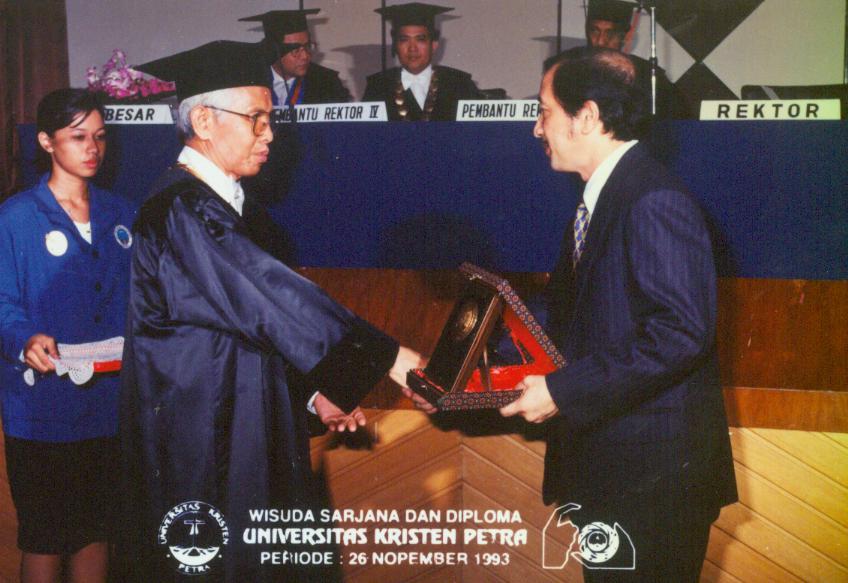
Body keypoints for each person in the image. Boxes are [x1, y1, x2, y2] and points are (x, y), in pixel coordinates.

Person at [119, 40, 423, 581]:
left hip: (232, 427)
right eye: (256, 119)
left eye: (270, 119)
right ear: (204, 120)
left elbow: (245, 328)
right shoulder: (182, 209)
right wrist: (386, 355)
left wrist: (313, 394)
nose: (270, 134)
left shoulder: (226, 209)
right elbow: (265, 297)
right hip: (202, 444)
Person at [498, 47, 737, 581]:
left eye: (544, 112)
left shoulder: (652, 199)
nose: (537, 129)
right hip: (617, 477)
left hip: (653, 489)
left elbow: (680, 333)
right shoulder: (605, 196)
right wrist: (471, 358)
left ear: (586, 116)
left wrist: (562, 391)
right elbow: (575, 314)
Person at [0, 88, 135, 583]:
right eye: (78, 137)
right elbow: (2, 302)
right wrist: (23, 338)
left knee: (96, 532)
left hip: (110, 401)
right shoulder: (16, 217)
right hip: (43, 405)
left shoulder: (124, 214)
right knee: (45, 536)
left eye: (100, 136)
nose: (92, 148)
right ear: (46, 142)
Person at [362, 2, 483, 121]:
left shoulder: (460, 84)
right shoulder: (378, 88)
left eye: (420, 39)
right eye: (404, 40)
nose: (412, 48)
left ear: (434, 45)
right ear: (395, 45)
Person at [584, 0, 690, 118]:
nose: (600, 41)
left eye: (610, 33)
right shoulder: (572, 68)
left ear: (625, 35)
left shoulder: (646, 73)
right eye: (594, 31)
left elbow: (680, 116)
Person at [239, 9, 352, 106]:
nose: (305, 56)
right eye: (296, 50)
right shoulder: (247, 81)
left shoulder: (327, 82)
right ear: (273, 50)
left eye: (307, 46)